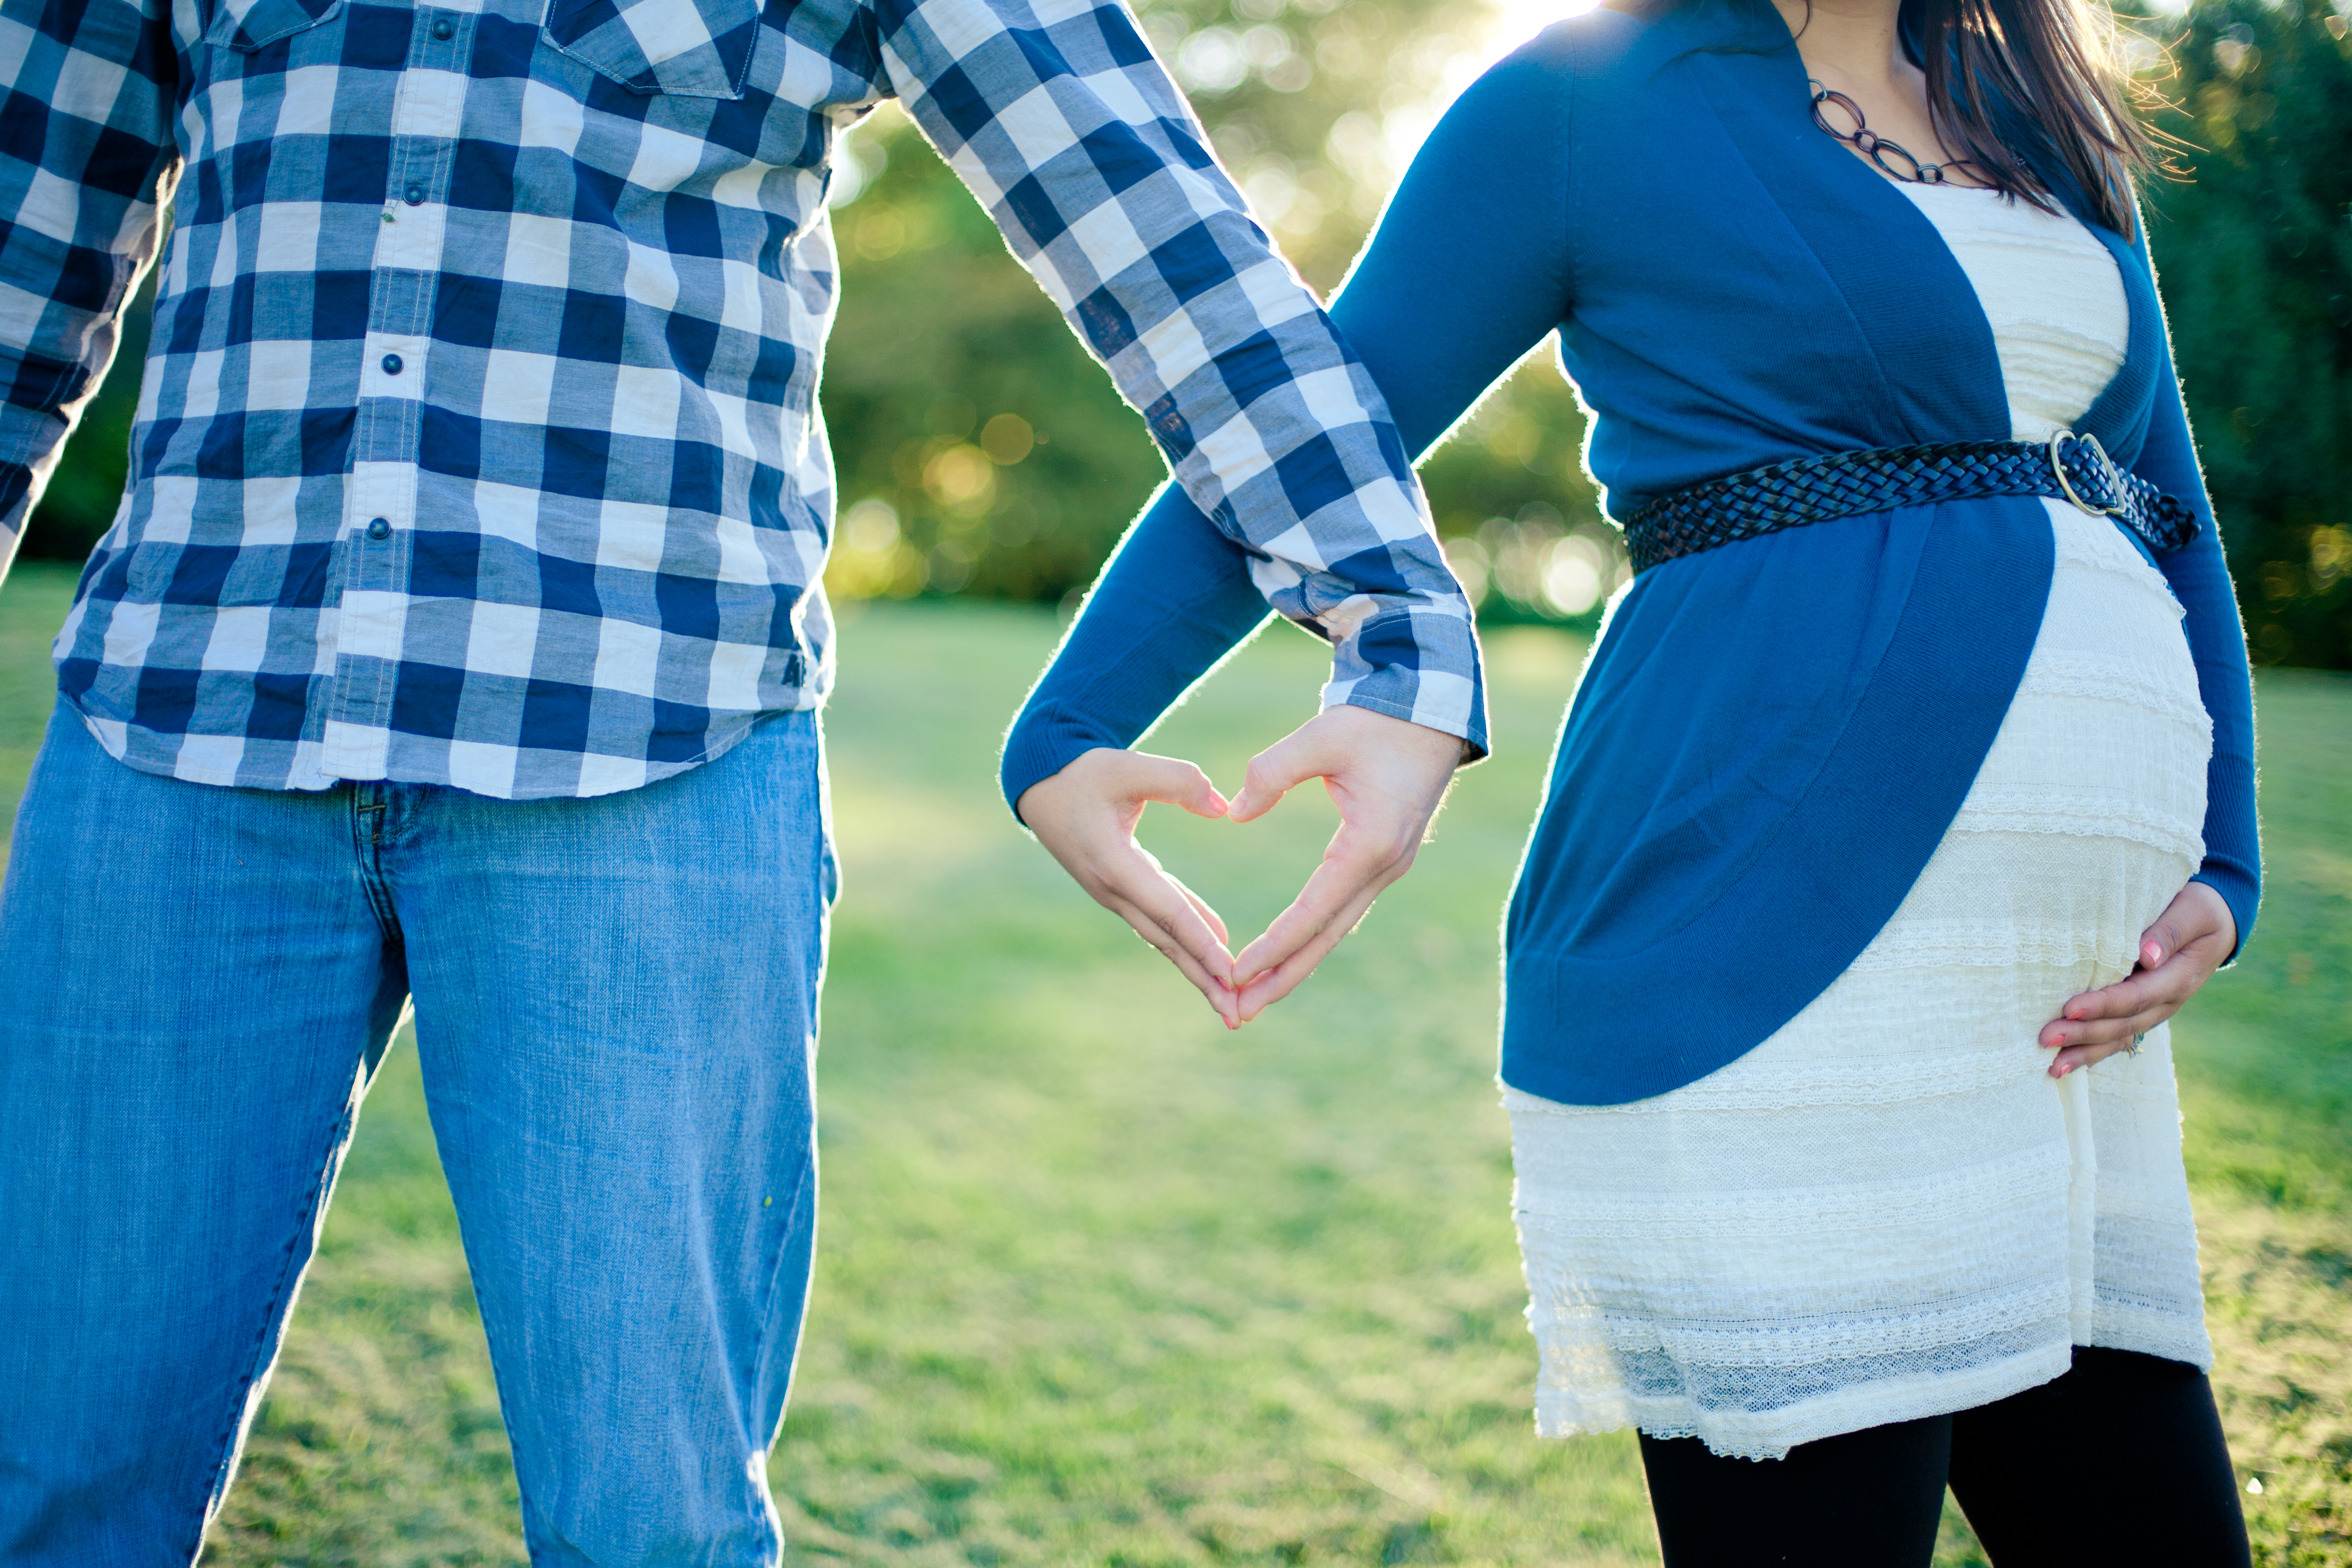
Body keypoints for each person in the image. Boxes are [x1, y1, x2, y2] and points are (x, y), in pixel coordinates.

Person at [0, 0, 1492, 1551]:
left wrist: (1387, 613)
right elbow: (17, 256)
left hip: (649, 743)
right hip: (183, 726)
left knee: (653, 1529)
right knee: (53, 1498)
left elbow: (1137, 208)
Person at [1006, 0, 2262, 1558]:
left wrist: (2228, 863)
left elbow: (2169, 510)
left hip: (2063, 1028)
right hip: (1772, 958)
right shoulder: (1580, 105)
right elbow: (1314, 437)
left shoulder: (2043, 111)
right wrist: (1067, 729)